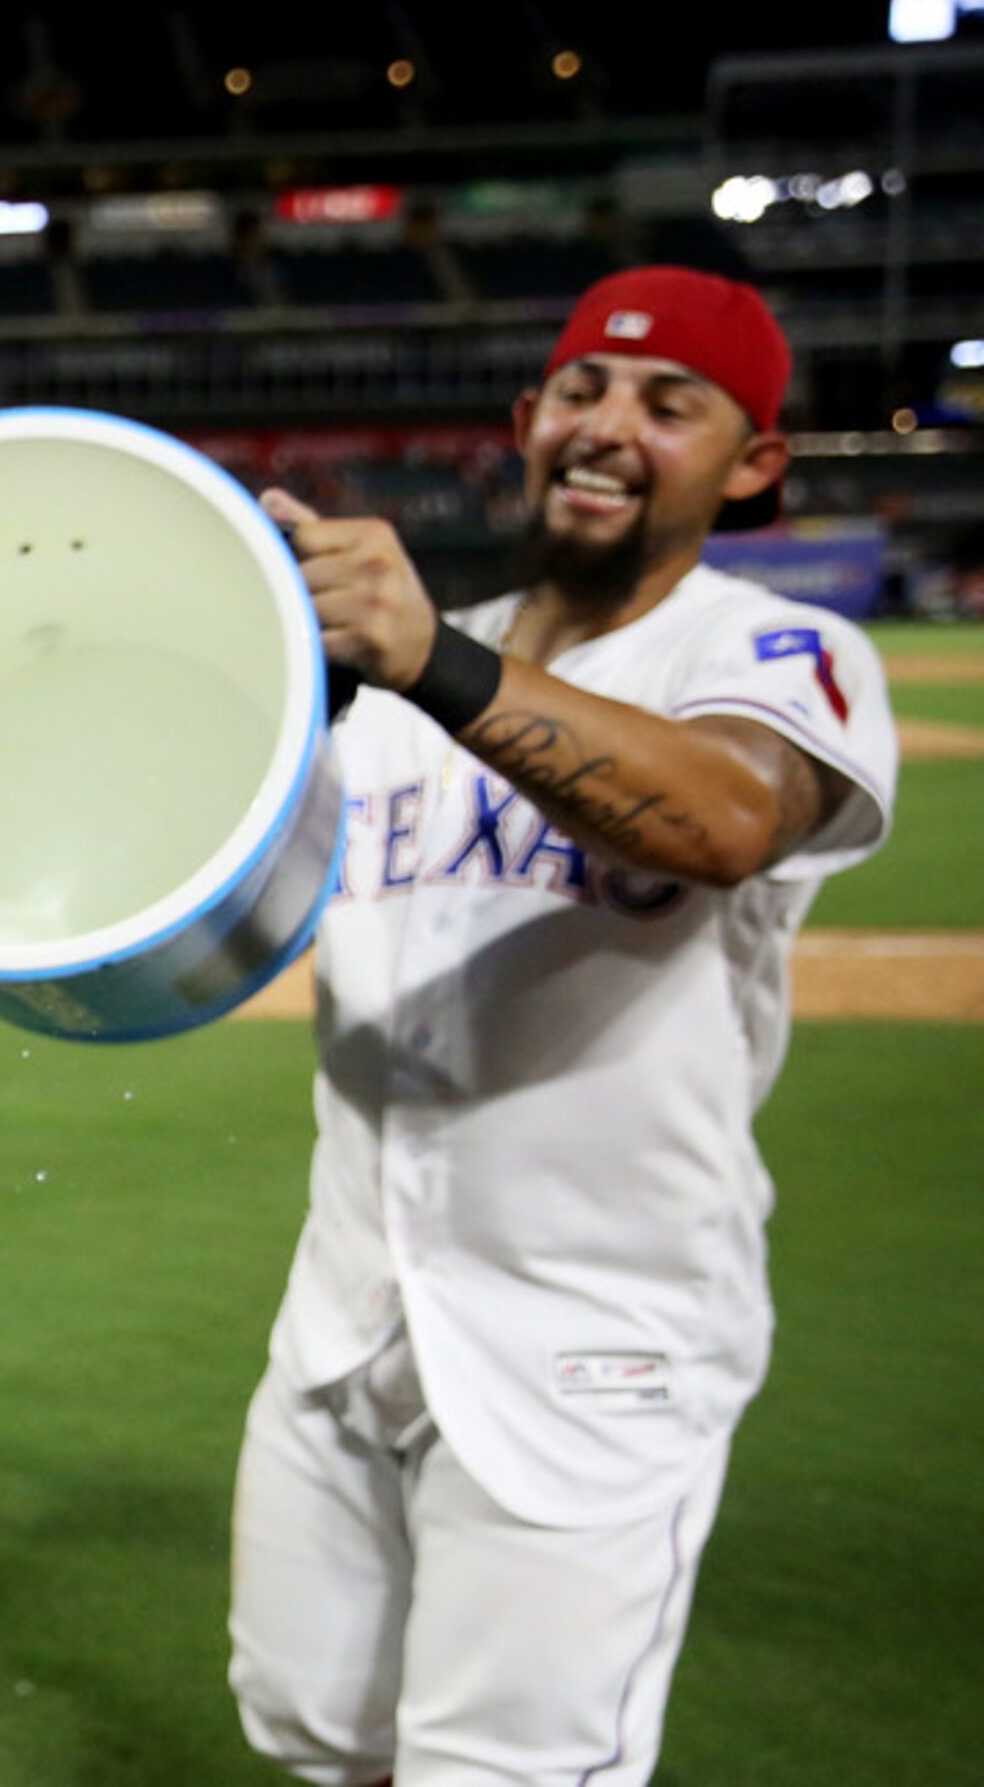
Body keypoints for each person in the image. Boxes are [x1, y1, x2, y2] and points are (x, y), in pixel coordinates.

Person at [228, 268, 898, 1786]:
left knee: (511, 1768)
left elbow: (726, 818)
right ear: (528, 423)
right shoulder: (386, 665)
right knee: (310, 1724)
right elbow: (200, 887)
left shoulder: (774, 654)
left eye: (673, 406)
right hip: (351, 1312)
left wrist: (434, 667)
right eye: (586, 390)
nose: (612, 427)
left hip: (597, 1335)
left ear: (755, 467)